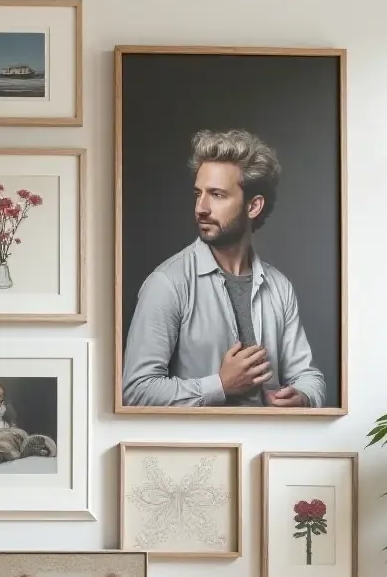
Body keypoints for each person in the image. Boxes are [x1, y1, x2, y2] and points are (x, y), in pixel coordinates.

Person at [121, 129, 326, 409]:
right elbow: (136, 391)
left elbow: (308, 376)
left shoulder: (279, 286)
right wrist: (220, 385)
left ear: (253, 206)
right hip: (204, 452)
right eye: (198, 194)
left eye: (216, 195)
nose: (201, 208)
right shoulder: (167, 283)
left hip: (269, 450)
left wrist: (302, 396)